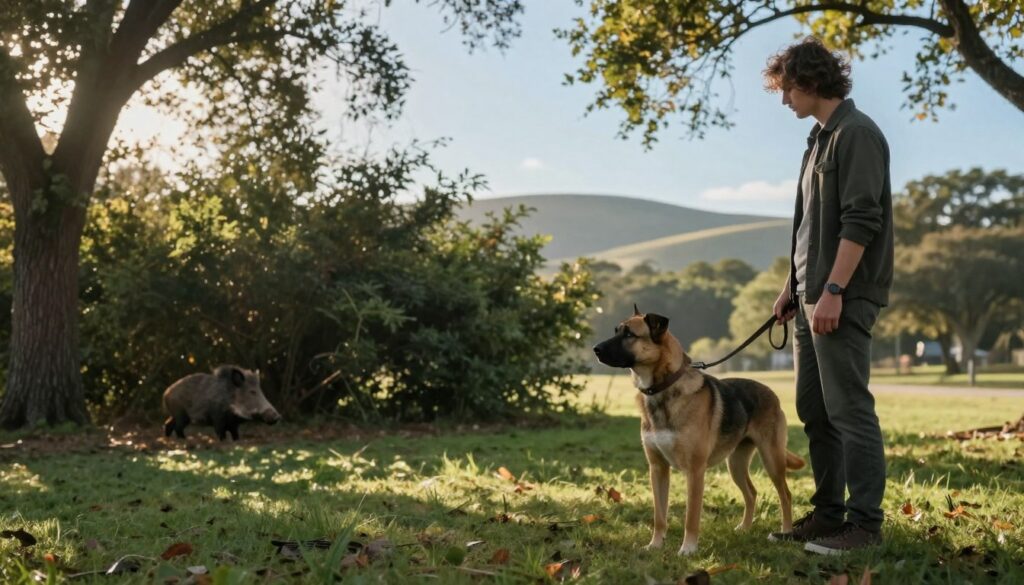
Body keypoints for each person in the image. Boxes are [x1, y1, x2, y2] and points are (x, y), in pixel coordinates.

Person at [762, 37, 894, 556]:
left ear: (811, 82)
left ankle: (864, 525)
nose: (783, 100)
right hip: (810, 296)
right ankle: (828, 515)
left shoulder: (856, 134)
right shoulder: (818, 140)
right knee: (814, 410)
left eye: (787, 89)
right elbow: (810, 229)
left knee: (849, 409)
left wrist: (835, 289)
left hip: (842, 296)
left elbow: (861, 220)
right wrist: (791, 287)